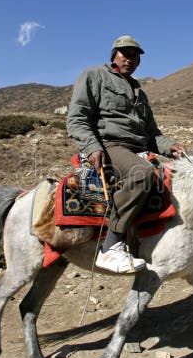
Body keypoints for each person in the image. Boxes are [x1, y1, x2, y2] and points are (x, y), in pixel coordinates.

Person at [66, 36, 186, 273]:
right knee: (142, 174)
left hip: (137, 148)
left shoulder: (139, 92)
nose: (130, 59)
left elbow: (152, 134)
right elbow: (77, 118)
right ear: (114, 55)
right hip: (110, 145)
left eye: (135, 55)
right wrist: (92, 147)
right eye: (125, 54)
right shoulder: (94, 76)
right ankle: (111, 246)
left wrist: (170, 146)